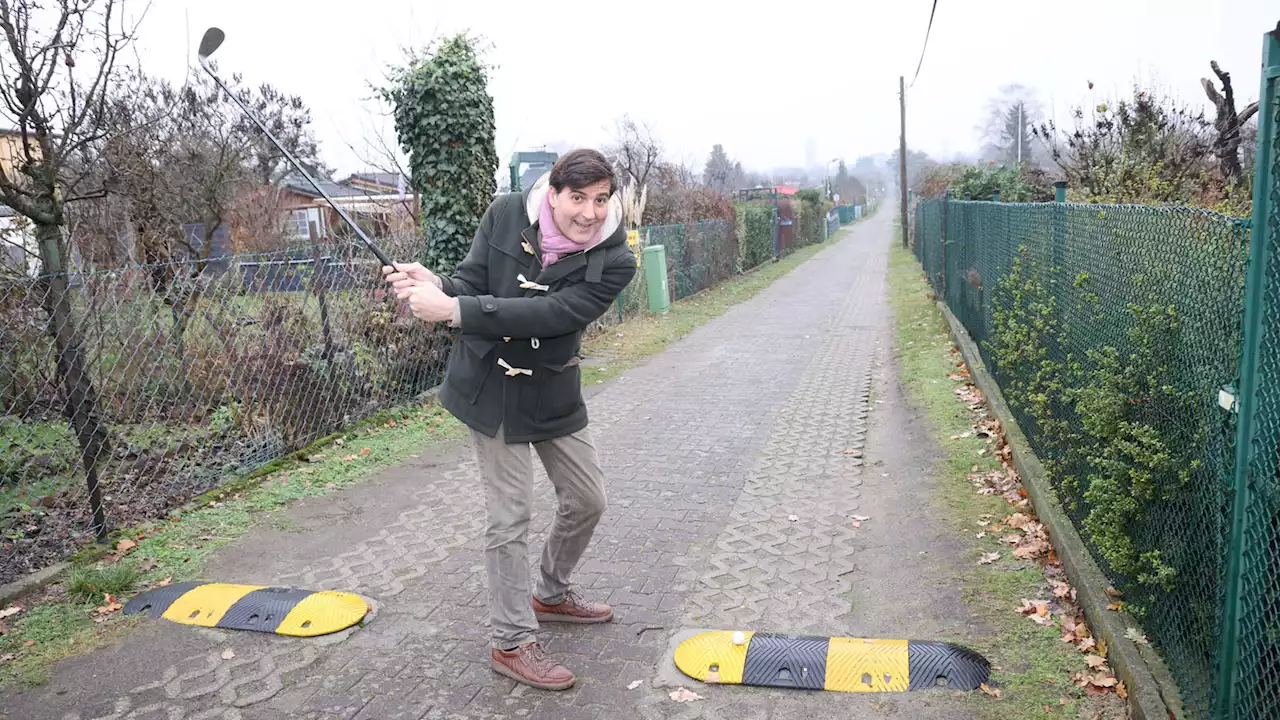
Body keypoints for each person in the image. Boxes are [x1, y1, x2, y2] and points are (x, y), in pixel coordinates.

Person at [382, 148, 637, 691]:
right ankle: (511, 641)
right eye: (578, 198)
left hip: (552, 390)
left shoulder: (616, 260)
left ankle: (551, 592)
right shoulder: (505, 213)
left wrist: (455, 311)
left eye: (600, 200)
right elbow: (473, 280)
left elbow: (555, 313)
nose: (590, 213)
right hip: (490, 387)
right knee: (509, 518)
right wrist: (439, 285)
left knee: (588, 500)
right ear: (554, 193)